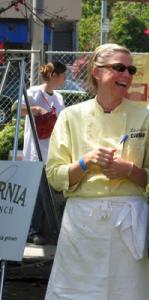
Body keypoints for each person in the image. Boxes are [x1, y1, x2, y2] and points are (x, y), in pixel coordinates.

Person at [44, 43, 149, 300]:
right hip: (82, 225)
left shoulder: (146, 119)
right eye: (119, 68)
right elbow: (54, 176)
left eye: (131, 69)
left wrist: (129, 170)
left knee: (130, 294)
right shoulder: (70, 117)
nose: (127, 75)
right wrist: (85, 163)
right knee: (76, 293)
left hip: (130, 225)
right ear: (97, 72)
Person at [22, 61, 67, 245]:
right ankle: (32, 231)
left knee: (47, 193)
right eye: (63, 75)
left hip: (52, 150)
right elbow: (16, 108)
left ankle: (44, 229)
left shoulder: (58, 97)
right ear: (54, 75)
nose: (65, 78)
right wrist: (36, 109)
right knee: (38, 193)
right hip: (36, 150)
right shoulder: (34, 92)